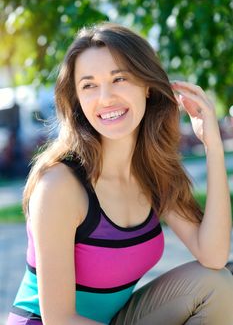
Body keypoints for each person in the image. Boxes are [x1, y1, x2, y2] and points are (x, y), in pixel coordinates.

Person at [7, 22, 233, 325]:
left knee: (216, 283)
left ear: (147, 86)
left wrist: (213, 146)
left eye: (120, 78)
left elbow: (213, 256)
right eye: (89, 85)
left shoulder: (153, 173)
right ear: (76, 100)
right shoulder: (59, 184)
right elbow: (59, 319)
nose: (106, 97)